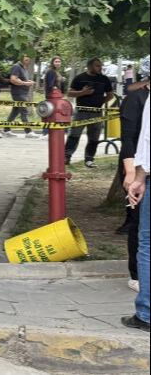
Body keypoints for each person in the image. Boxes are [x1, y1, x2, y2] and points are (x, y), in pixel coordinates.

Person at [120, 72, 149, 332]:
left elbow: (147, 141)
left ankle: (147, 312)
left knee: (146, 239)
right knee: (138, 223)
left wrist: (138, 175)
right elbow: (129, 137)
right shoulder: (136, 99)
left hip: (145, 170)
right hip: (138, 167)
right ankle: (136, 275)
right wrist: (132, 173)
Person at [65, 58, 115, 167]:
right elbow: (69, 93)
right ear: (89, 66)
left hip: (97, 112)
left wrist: (101, 102)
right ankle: (66, 157)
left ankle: (89, 159)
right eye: (97, 65)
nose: (100, 68)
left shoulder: (104, 79)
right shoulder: (79, 78)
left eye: (100, 65)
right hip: (81, 111)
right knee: (74, 135)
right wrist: (83, 92)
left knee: (94, 137)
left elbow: (110, 94)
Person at [3, 55, 39, 139]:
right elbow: (13, 79)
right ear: (21, 59)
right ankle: (28, 132)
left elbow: (21, 79)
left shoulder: (24, 68)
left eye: (29, 60)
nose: (28, 61)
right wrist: (25, 83)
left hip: (23, 93)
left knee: (15, 112)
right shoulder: (17, 67)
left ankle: (6, 130)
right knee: (24, 111)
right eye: (26, 59)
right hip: (18, 93)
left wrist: (28, 81)